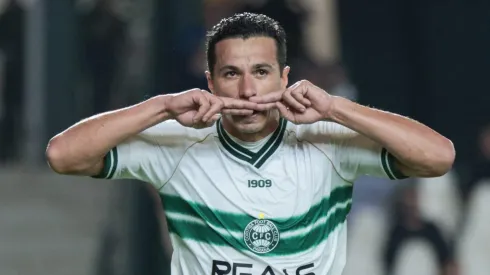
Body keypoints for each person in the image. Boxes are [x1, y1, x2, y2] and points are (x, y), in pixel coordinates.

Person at [45, 13, 455, 275]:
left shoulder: (327, 141)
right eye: (230, 74)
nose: (246, 90)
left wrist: (337, 109)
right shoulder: (175, 142)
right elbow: (63, 155)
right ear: (210, 81)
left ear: (284, 77)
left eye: (261, 71)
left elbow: (439, 157)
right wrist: (161, 106)